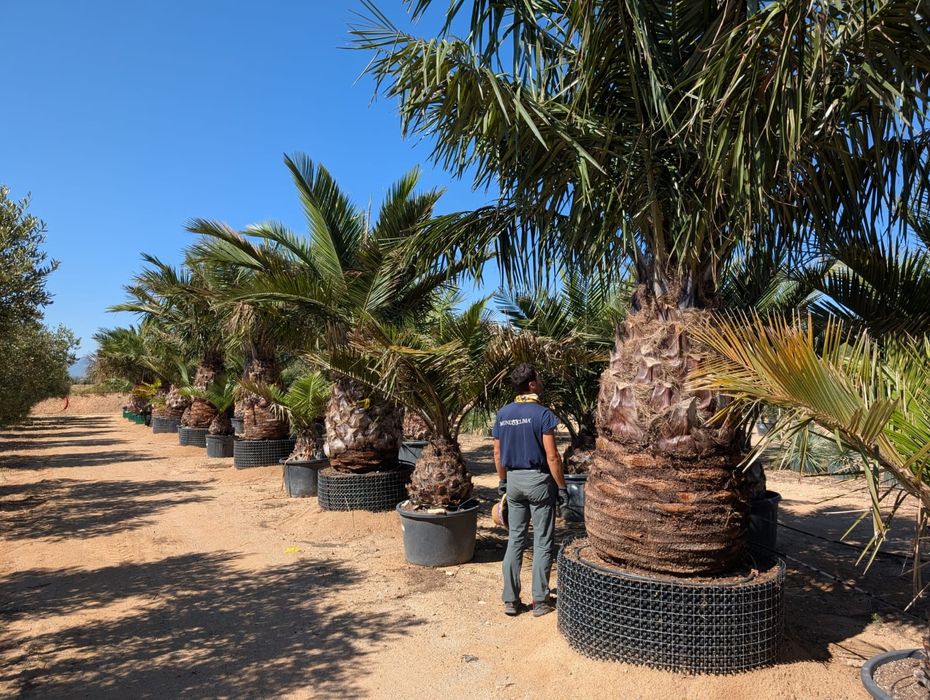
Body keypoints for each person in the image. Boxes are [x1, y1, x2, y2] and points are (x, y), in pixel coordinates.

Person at [492, 363, 567, 617]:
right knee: (543, 540)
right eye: (539, 378)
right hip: (539, 483)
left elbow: (497, 452)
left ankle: (511, 600)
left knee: (515, 539)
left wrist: (503, 482)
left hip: (513, 482)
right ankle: (540, 601)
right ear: (532, 384)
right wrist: (562, 486)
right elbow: (552, 456)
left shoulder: (503, 414)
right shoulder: (543, 414)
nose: (542, 382)